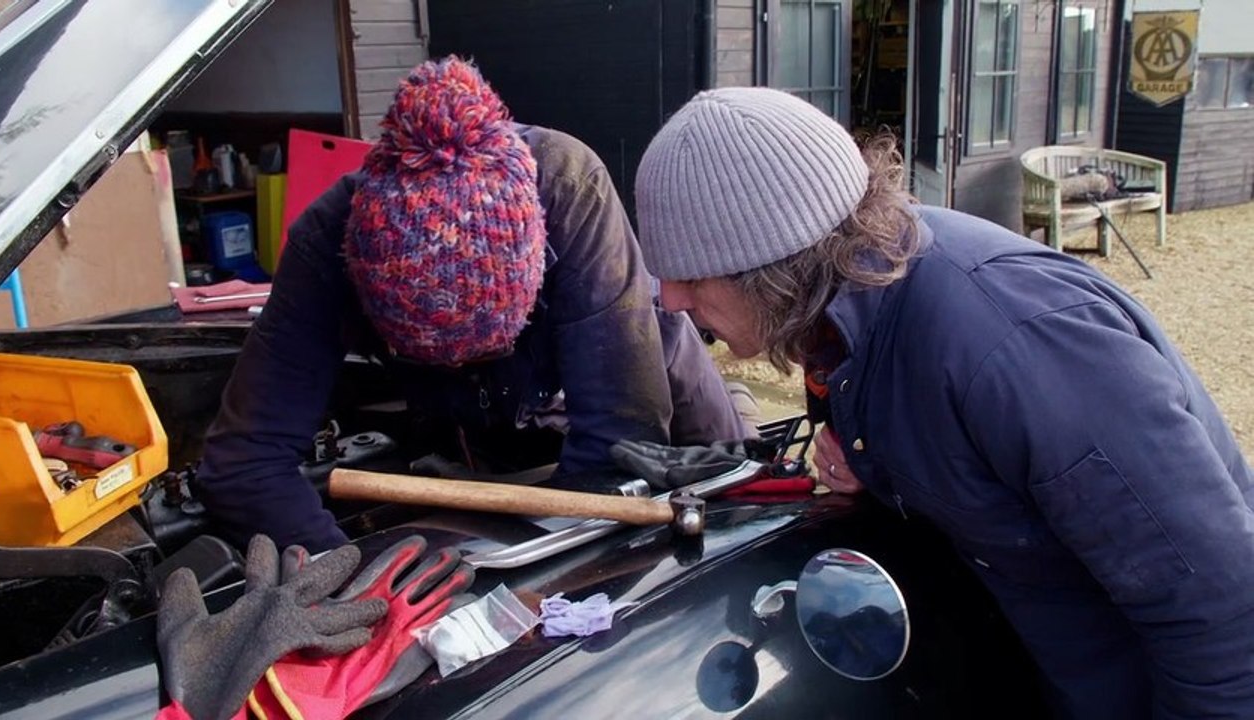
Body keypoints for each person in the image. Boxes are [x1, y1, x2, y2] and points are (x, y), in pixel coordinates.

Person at [632, 86, 1254, 719]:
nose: (675, 301)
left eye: (693, 274)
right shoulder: (849, 318)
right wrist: (874, 473)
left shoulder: (1018, 344)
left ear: (773, 264)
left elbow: (1220, 612)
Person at [194, 57, 750, 554]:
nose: (466, 360)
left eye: (487, 345)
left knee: (734, 505)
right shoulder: (323, 245)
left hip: (635, 362)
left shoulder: (568, 184)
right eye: (443, 356)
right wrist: (350, 581)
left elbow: (622, 437)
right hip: (470, 417)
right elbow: (244, 461)